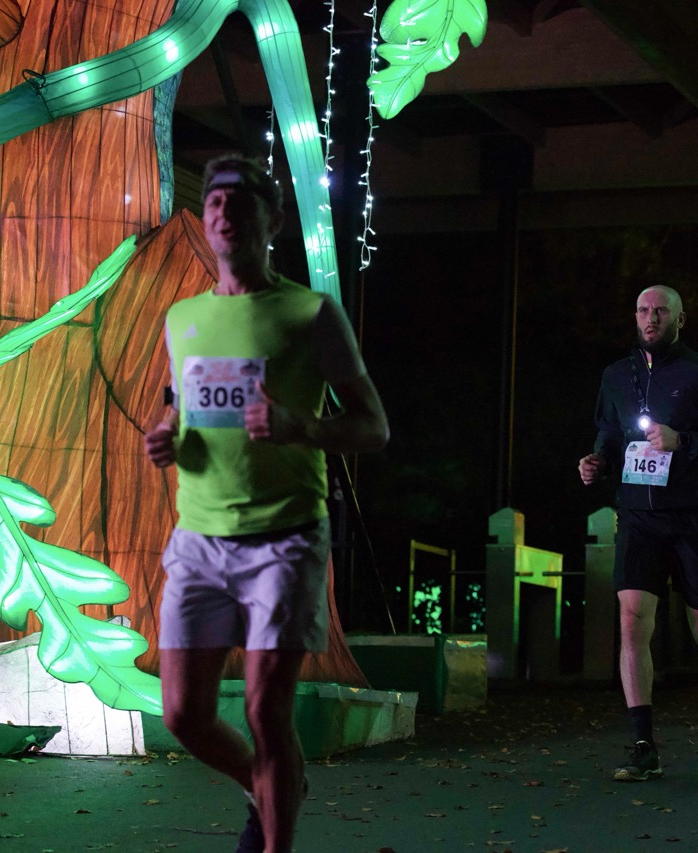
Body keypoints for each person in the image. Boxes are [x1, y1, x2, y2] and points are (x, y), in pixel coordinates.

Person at [143, 155, 390, 853]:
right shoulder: (183, 316)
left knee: (264, 708)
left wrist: (300, 427)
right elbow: (179, 402)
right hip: (198, 539)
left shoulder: (311, 313)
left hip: (284, 538)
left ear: (273, 220)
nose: (222, 211)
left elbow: (373, 427)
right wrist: (165, 434)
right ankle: (271, 785)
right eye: (214, 201)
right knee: (182, 713)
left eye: (240, 201)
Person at [578, 284, 698, 783]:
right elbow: (609, 432)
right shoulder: (616, 375)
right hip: (639, 517)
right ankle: (643, 746)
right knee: (632, 620)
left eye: (660, 311)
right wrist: (597, 461)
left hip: (696, 516)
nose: (651, 318)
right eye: (643, 310)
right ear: (634, 317)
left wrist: (685, 441)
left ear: (681, 319)